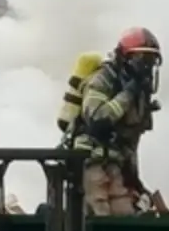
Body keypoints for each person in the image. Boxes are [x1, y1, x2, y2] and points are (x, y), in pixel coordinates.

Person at [68, 27, 162, 216]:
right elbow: (97, 119)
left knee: (124, 214)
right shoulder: (103, 79)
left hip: (115, 164)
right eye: (142, 58)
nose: (146, 66)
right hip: (89, 160)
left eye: (151, 60)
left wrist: (134, 179)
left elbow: (131, 141)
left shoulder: (139, 94)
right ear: (125, 57)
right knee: (98, 214)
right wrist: (127, 94)